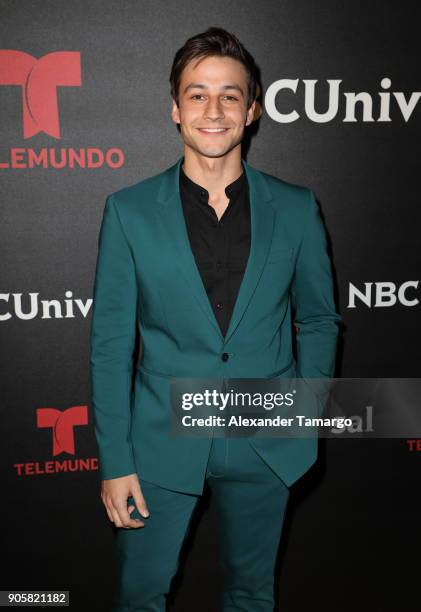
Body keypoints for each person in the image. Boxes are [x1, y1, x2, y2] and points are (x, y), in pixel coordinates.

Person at [90, 26, 342, 612]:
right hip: (159, 448)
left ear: (252, 109)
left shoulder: (298, 208)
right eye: (197, 93)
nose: (214, 109)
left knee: (252, 595)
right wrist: (116, 461)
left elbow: (322, 320)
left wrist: (303, 417)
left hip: (265, 442)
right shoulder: (128, 212)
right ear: (174, 108)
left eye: (230, 94)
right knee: (139, 596)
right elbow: (109, 346)